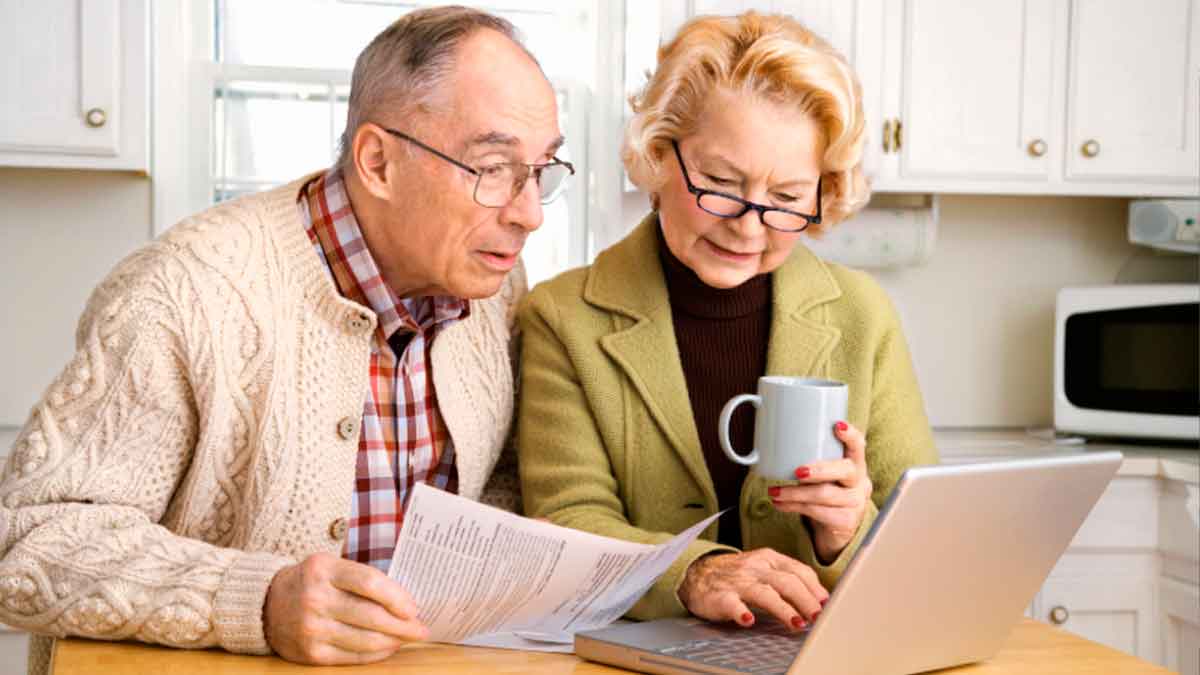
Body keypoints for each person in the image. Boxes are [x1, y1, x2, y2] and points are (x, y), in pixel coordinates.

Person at [0, 5, 572, 668]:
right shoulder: (181, 293)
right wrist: (260, 600)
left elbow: (496, 479)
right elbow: (29, 543)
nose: (528, 213)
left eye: (542, 170)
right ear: (378, 162)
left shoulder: (494, 283)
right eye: (493, 169)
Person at [518, 11, 938, 634]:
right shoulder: (563, 316)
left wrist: (846, 532)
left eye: (789, 198)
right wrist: (692, 573)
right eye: (719, 183)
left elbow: (924, 541)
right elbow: (569, 522)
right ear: (659, 154)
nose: (748, 225)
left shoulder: (861, 314)